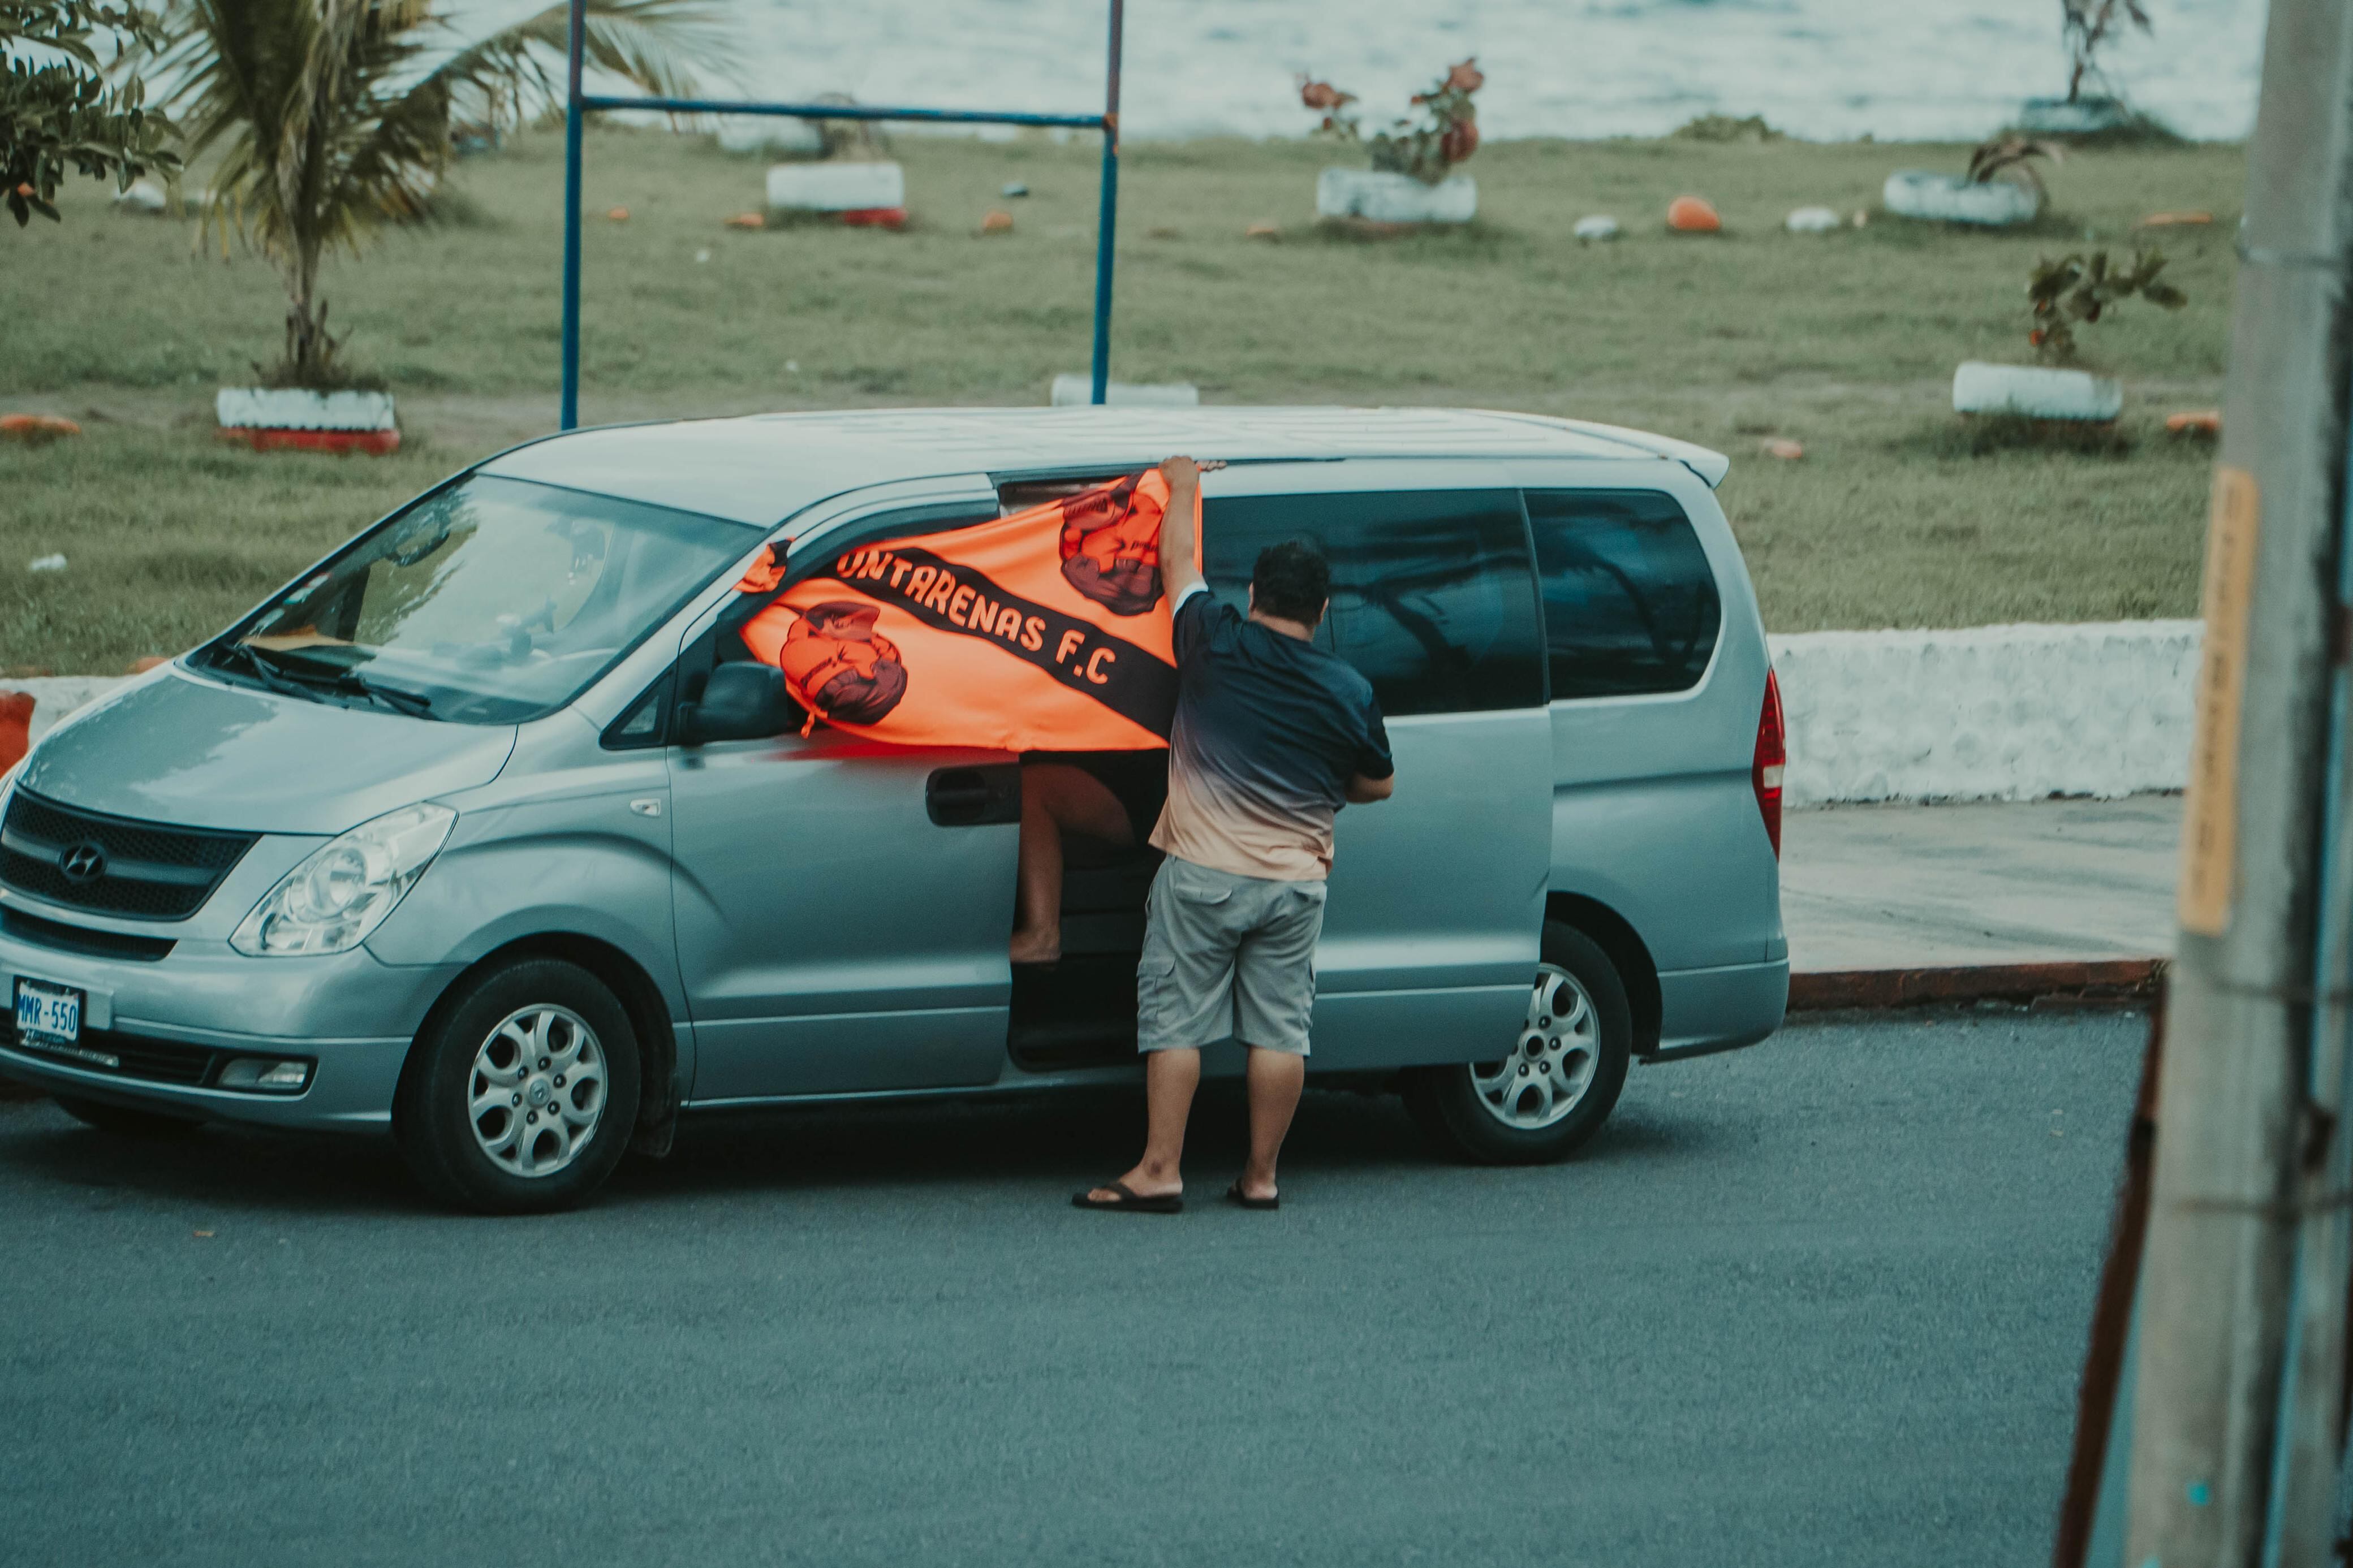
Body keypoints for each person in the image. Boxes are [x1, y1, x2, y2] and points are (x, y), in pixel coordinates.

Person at [1075, 455, 1394, 1215]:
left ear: (1253, 597)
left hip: (1203, 871)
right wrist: (1319, 783)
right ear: (1321, 610)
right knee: (1280, 1031)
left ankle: (1160, 1169)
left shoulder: (1213, 641)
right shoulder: (1349, 690)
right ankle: (1261, 1176)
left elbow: (1177, 562)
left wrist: (1184, 483)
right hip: (1294, 884)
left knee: (1176, 1020)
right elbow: (1377, 782)